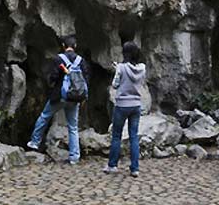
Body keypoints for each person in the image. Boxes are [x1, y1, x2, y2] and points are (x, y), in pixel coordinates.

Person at [26, 35, 89, 164]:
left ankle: (34, 142)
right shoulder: (81, 60)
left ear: (63, 46)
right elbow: (86, 78)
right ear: (75, 46)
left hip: (59, 96)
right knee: (73, 127)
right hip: (75, 98)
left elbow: (52, 77)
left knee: (44, 116)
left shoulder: (58, 59)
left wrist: (52, 86)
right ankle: (74, 157)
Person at [104, 41, 146, 178]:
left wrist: (118, 69)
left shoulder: (121, 67)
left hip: (122, 105)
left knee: (117, 135)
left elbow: (115, 84)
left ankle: (112, 165)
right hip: (136, 105)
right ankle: (135, 168)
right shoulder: (142, 68)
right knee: (134, 136)